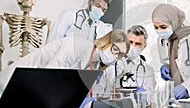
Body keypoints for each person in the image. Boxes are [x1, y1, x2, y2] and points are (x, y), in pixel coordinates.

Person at [0, 29, 130, 99]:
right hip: (10, 83)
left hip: (30, 91)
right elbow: (49, 77)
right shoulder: (75, 45)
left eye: (120, 55)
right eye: (115, 50)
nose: (116, 56)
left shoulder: (97, 65)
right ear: (106, 42)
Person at [151, 3, 190, 100]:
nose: (159, 31)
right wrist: (165, 67)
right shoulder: (162, 40)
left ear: (174, 22)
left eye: (163, 27)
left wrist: (186, 87)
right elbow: (168, 62)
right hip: (175, 96)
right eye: (156, 27)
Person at [94, 25, 156, 97]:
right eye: (130, 42)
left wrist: (144, 95)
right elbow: (97, 91)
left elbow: (151, 98)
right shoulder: (109, 61)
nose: (133, 46)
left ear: (144, 46)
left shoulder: (148, 71)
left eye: (138, 44)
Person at [46, 0, 112, 44]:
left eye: (103, 10)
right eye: (98, 6)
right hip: (62, 59)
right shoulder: (69, 15)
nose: (99, 11)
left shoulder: (99, 27)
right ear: (90, 3)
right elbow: (53, 39)